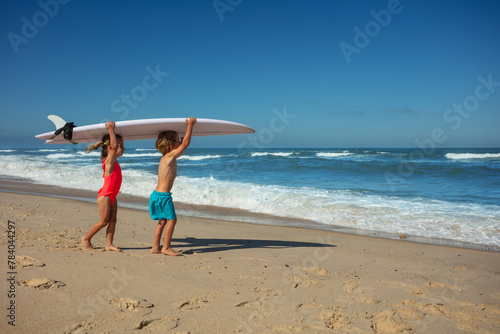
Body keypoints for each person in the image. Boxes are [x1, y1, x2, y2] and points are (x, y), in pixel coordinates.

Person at [150, 117, 196, 256]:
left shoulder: (167, 157)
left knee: (162, 222)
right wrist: (190, 126)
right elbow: (186, 144)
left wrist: (181, 136)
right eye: (178, 141)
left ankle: (155, 247)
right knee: (172, 220)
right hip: (164, 196)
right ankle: (166, 247)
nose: (180, 142)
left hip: (156, 195)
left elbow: (182, 145)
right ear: (172, 147)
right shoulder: (170, 156)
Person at [81, 121, 125, 252]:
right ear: (111, 148)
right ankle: (86, 239)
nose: (123, 148)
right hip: (105, 195)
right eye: (120, 146)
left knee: (113, 221)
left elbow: (113, 146)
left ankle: (109, 244)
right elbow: (113, 145)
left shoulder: (114, 161)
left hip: (112, 196)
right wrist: (111, 130)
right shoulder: (109, 161)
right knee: (103, 221)